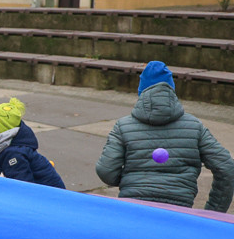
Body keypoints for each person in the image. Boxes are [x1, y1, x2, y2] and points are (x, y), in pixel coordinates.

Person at [96, 60, 234, 211]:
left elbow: (106, 171)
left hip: (133, 207)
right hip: (179, 209)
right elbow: (226, 167)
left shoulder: (123, 126)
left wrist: (131, 181)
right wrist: (213, 211)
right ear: (171, 90)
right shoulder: (195, 126)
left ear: (141, 91)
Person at [0, 98, 65, 188]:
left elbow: (22, 186)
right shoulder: (2, 145)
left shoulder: (13, 153)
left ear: (5, 130)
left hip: (48, 196)